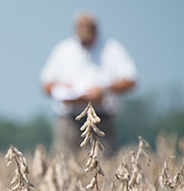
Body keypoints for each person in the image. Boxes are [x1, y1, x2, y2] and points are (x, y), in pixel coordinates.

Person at [40, 12, 137, 154]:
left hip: (102, 119)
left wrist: (104, 89)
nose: (85, 36)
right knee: (65, 164)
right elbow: (46, 84)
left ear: (96, 30)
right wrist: (63, 89)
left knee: (102, 163)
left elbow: (130, 80)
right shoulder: (63, 50)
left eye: (88, 30)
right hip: (68, 121)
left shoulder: (112, 49)